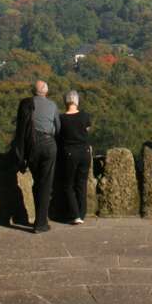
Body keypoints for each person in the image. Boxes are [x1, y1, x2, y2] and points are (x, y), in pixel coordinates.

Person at [11, 80, 59, 233]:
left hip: (32, 146)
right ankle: (41, 222)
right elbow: (58, 127)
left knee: (38, 182)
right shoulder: (52, 105)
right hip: (48, 144)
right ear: (46, 91)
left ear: (33, 91)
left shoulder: (26, 104)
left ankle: (39, 219)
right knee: (45, 184)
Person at [58, 90, 93, 225]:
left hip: (69, 153)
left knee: (68, 185)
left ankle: (75, 214)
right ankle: (82, 213)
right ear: (77, 101)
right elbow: (87, 130)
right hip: (85, 152)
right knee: (81, 183)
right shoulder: (85, 116)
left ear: (65, 101)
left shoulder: (62, 118)